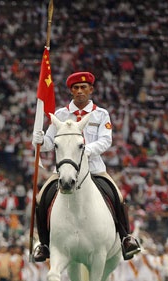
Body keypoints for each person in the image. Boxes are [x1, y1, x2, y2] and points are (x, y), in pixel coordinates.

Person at [31, 71, 141, 262]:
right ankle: (44, 244)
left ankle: (126, 238)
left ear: (91, 89)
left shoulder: (100, 114)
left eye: (83, 87)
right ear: (71, 91)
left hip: (95, 168)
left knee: (118, 196)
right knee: (41, 199)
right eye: (76, 88)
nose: (80, 91)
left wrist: (85, 151)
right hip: (65, 170)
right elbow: (49, 143)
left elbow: (106, 141)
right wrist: (39, 140)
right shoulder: (60, 114)